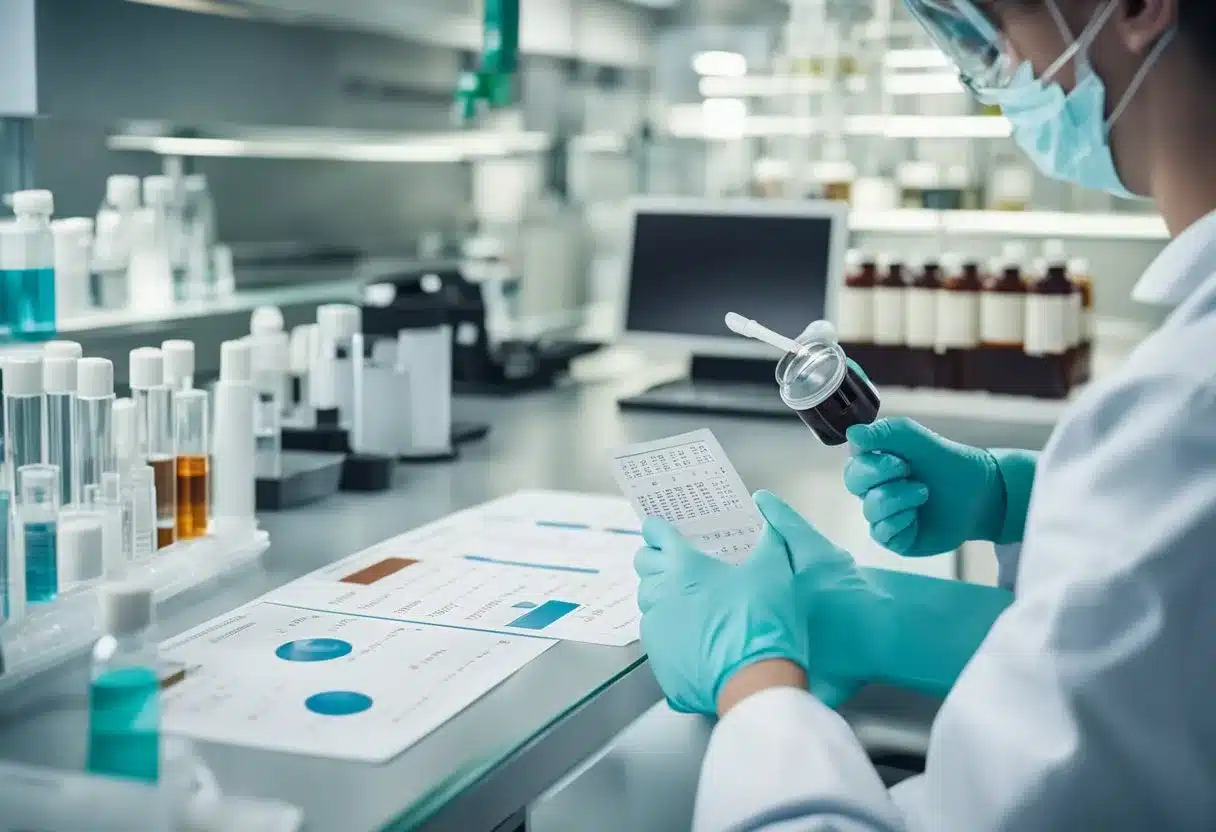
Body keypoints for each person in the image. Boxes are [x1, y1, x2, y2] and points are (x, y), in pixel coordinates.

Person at [633, 1, 1216, 829]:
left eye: (1003, 24)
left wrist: (755, 682)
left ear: (1136, 9)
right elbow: (1177, 660)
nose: (1000, 68)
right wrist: (1017, 502)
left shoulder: (1183, 409)